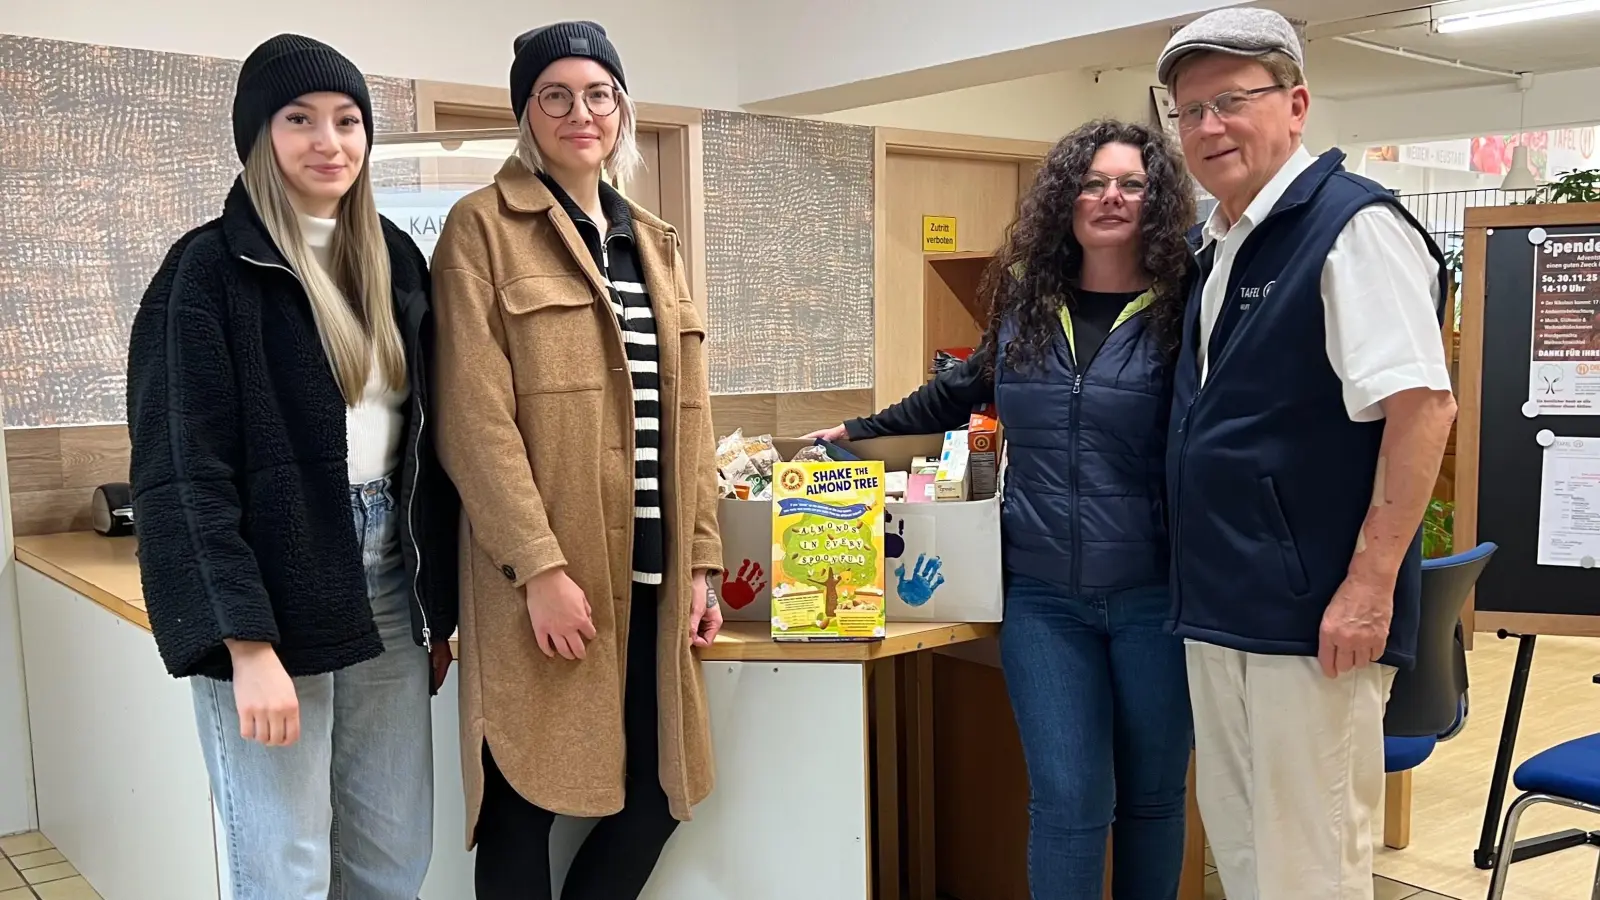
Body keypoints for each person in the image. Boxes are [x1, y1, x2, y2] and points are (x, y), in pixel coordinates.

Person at [812, 119, 1197, 900]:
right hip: (1043, 598)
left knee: (1153, 799)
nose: (1110, 197)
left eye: (1130, 183)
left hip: (1159, 596)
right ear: (1066, 198)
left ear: (1155, 200)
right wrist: (859, 430)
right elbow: (960, 386)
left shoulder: (1187, 307)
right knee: (1068, 801)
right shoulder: (1030, 302)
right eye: (1092, 182)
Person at [126, 34, 459, 900]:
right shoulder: (204, 272)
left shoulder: (391, 257)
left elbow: (429, 449)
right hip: (274, 586)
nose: (330, 141)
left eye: (348, 121)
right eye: (299, 120)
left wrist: (437, 608)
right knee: (285, 866)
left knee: (392, 855)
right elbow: (182, 476)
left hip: (389, 579)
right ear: (258, 137)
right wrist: (246, 644)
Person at [1155, 10, 1456, 900]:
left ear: (1295, 105)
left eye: (1231, 102)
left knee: (1309, 865)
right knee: (1245, 855)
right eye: (1189, 111)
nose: (1209, 128)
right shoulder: (1218, 245)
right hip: (1222, 607)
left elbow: (1423, 408)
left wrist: (1368, 589)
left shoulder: (1353, 228)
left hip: (1312, 617)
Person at [429, 21, 724, 900]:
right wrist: (539, 569)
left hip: (654, 573)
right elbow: (472, 421)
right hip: (548, 578)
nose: (580, 112)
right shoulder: (482, 227)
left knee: (662, 790)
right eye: (554, 95)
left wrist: (702, 559)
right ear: (528, 113)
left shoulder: (657, 243)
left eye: (599, 94)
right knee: (523, 803)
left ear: (623, 110)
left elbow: (695, 420)